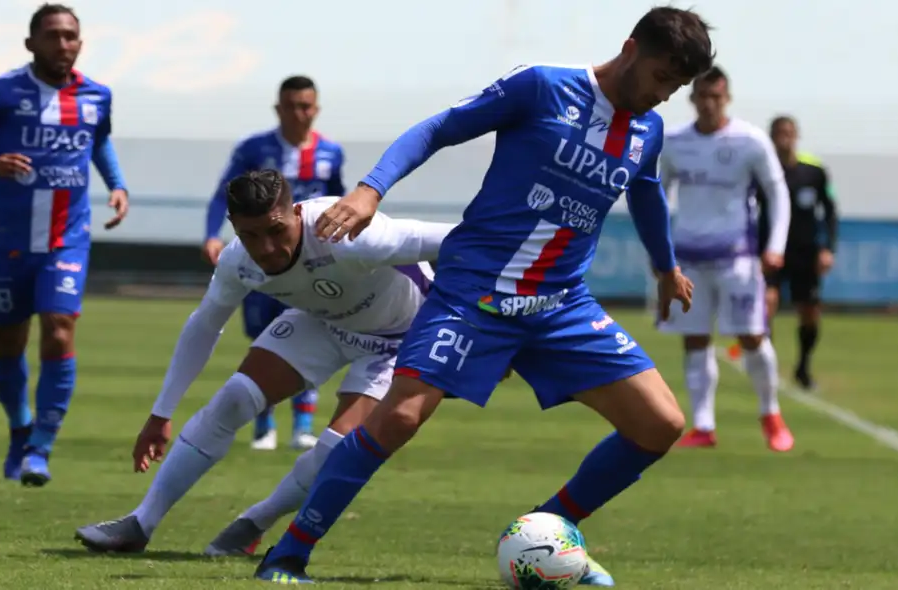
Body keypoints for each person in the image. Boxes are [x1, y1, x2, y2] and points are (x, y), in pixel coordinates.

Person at [252, 7, 714, 586]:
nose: (664, 94)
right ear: (629, 49)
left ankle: (548, 537)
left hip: (559, 303)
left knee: (661, 423)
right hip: (477, 293)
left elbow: (644, 190)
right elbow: (438, 128)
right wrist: (371, 189)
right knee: (398, 419)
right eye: (661, 77)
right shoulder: (543, 86)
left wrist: (666, 267)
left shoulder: (648, 129)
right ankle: (289, 554)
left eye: (676, 86)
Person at [74, 170, 451, 552]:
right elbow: (203, 326)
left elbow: (468, 237)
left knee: (337, 445)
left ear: (296, 212)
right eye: (250, 235)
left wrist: (487, 324)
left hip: (396, 340)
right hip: (322, 323)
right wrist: (161, 413)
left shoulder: (352, 237)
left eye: (276, 231)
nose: (266, 248)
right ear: (234, 227)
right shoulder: (238, 261)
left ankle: (256, 521)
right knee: (235, 397)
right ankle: (141, 522)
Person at [0, 3, 129, 486]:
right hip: (7, 243)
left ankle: (41, 446)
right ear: (31, 43)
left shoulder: (97, 95)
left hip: (67, 241)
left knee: (59, 329)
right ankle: (20, 427)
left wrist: (117, 184)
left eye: (71, 36)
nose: (64, 44)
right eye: (54, 36)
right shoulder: (0, 92)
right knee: (8, 340)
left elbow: (97, 141)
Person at [202, 76, 346, 452]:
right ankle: (263, 425)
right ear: (278, 109)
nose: (299, 114)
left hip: (312, 261)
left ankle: (302, 425)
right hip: (264, 261)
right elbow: (224, 193)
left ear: (315, 109)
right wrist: (212, 235)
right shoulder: (254, 148)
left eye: (306, 106)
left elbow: (341, 200)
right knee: (263, 338)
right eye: (291, 106)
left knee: (314, 333)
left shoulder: (331, 152)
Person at [656, 66, 793, 452]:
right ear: (693, 98)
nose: (709, 103)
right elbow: (658, 196)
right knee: (695, 341)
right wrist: (660, 252)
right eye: (703, 96)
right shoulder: (675, 141)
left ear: (727, 98)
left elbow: (776, 192)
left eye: (716, 96)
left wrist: (775, 246)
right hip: (688, 260)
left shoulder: (750, 141)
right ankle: (703, 425)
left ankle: (770, 413)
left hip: (738, 259)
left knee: (752, 337)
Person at [760, 115, 838, 390]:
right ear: (771, 137)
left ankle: (803, 366)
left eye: (789, 133)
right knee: (767, 305)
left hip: (805, 252)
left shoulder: (813, 171)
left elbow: (829, 211)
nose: (785, 138)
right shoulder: (762, 171)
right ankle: (766, 368)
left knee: (809, 311)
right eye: (779, 133)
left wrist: (827, 248)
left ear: (797, 135)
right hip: (770, 252)